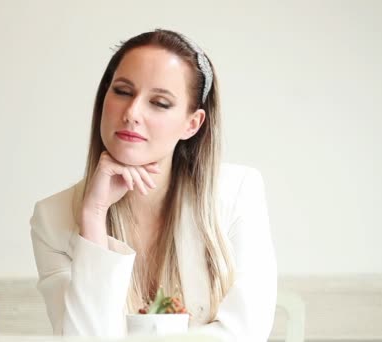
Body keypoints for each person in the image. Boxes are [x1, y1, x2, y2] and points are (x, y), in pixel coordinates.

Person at [29, 29, 277, 341]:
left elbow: (245, 333)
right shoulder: (52, 218)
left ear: (192, 124)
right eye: (122, 91)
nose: (132, 113)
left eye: (159, 102)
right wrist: (93, 217)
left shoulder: (238, 192)